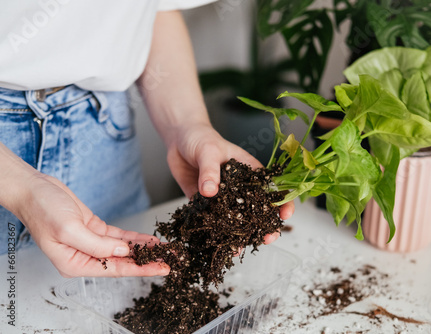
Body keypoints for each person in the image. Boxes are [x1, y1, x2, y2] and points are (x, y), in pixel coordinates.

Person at [0, 1, 294, 278]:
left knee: (118, 286)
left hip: (103, 131)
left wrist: (188, 125)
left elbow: (152, 9)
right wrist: (22, 190)